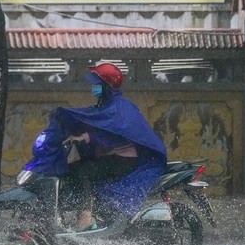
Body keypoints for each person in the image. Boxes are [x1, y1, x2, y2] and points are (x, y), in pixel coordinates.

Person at [57, 62, 167, 231]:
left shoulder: (121, 107)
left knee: (82, 171)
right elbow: (89, 119)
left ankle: (85, 218)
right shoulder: (104, 105)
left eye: (97, 84)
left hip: (124, 159)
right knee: (70, 170)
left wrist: (84, 137)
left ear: (106, 85)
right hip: (111, 157)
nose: (94, 87)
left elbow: (113, 134)